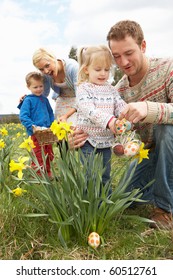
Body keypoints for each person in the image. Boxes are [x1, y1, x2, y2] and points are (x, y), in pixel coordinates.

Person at [69, 20, 173, 230]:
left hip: (169, 143)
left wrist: (149, 109)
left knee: (165, 128)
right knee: (126, 198)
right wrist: (78, 136)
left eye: (129, 52)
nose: (123, 62)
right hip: (151, 154)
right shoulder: (118, 91)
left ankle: (164, 209)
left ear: (143, 46)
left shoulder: (168, 68)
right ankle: (163, 184)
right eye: (116, 56)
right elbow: (117, 130)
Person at [76, 45, 127, 187]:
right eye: (98, 70)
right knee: (90, 175)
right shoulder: (84, 89)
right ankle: (90, 204)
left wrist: (125, 113)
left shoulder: (111, 89)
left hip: (105, 141)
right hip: (88, 140)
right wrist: (109, 120)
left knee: (105, 174)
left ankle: (104, 202)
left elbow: (119, 103)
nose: (103, 74)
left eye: (107, 69)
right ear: (86, 69)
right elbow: (88, 109)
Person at [18, 71, 54, 178]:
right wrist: (33, 127)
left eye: (41, 86)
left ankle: (47, 172)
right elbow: (23, 117)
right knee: (38, 154)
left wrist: (52, 124)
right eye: (35, 87)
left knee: (49, 153)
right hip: (35, 133)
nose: (39, 89)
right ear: (28, 87)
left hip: (46, 132)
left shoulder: (45, 100)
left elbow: (50, 113)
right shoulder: (28, 100)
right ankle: (38, 175)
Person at [32, 48, 79, 124]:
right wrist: (28, 98)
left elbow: (81, 97)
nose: (46, 71)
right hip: (61, 100)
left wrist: (66, 116)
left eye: (47, 65)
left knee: (73, 130)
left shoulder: (73, 68)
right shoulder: (45, 75)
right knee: (59, 129)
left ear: (53, 58)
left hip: (78, 101)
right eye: (41, 69)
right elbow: (43, 94)